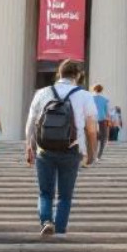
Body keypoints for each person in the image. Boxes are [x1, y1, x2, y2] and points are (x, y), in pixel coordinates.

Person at [26, 60, 99, 238]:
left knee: (45, 192)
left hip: (45, 149)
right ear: (77, 75)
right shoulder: (84, 95)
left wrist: (29, 146)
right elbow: (91, 128)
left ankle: (46, 221)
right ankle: (60, 231)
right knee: (65, 195)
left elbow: (31, 122)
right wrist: (92, 153)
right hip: (72, 150)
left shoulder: (43, 93)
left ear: (59, 73)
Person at [90, 83, 111, 159]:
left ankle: (92, 154)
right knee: (103, 138)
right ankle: (99, 155)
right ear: (101, 90)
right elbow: (107, 112)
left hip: (92, 120)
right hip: (102, 120)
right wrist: (109, 120)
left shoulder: (90, 97)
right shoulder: (105, 99)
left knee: (92, 137)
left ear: (93, 89)